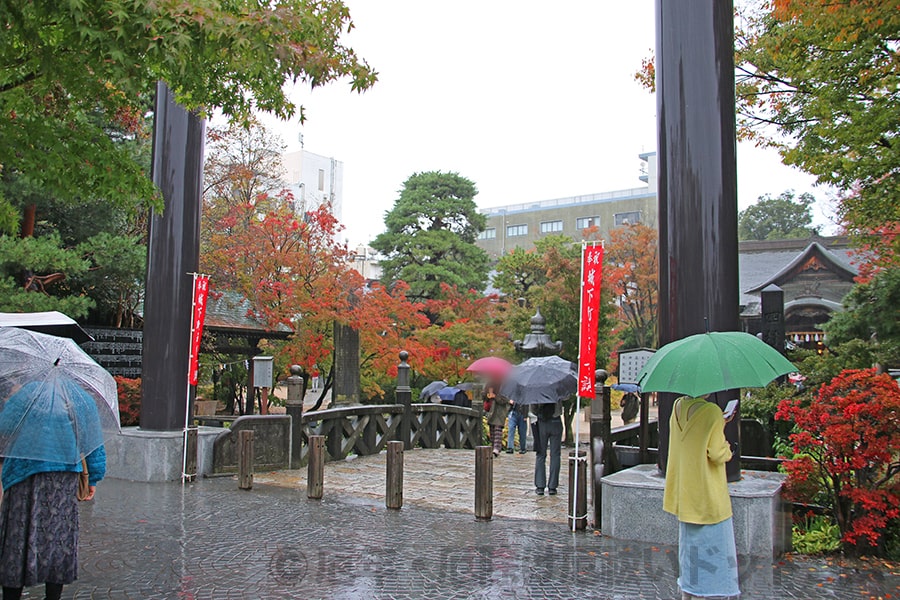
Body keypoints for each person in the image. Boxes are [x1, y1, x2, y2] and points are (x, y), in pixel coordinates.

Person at [0, 380, 107, 600]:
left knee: (18, 535)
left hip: (23, 474)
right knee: (58, 536)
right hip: (62, 477)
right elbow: (93, 442)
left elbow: (4, 428)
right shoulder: (81, 399)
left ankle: (12, 591)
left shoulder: (26, 394)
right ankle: (53, 594)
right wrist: (94, 478)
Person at [663, 395, 740, 600]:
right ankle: (710, 592)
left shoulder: (678, 406)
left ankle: (688, 590)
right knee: (716, 549)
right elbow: (717, 453)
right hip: (707, 493)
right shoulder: (712, 412)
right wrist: (727, 446)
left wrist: (719, 422)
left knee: (689, 549)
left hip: (685, 490)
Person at [532, 400, 563, 495]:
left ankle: (540, 485)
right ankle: (552, 486)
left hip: (542, 422)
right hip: (556, 421)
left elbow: (533, 410)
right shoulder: (557, 391)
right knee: (555, 455)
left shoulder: (536, 392)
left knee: (540, 454)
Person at [483, 382, 510, 457]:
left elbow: (505, 400)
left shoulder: (504, 388)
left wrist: (495, 396)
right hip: (491, 412)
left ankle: (497, 448)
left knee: (497, 430)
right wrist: (487, 394)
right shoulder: (489, 385)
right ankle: (494, 447)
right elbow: (484, 397)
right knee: (492, 430)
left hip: (499, 412)